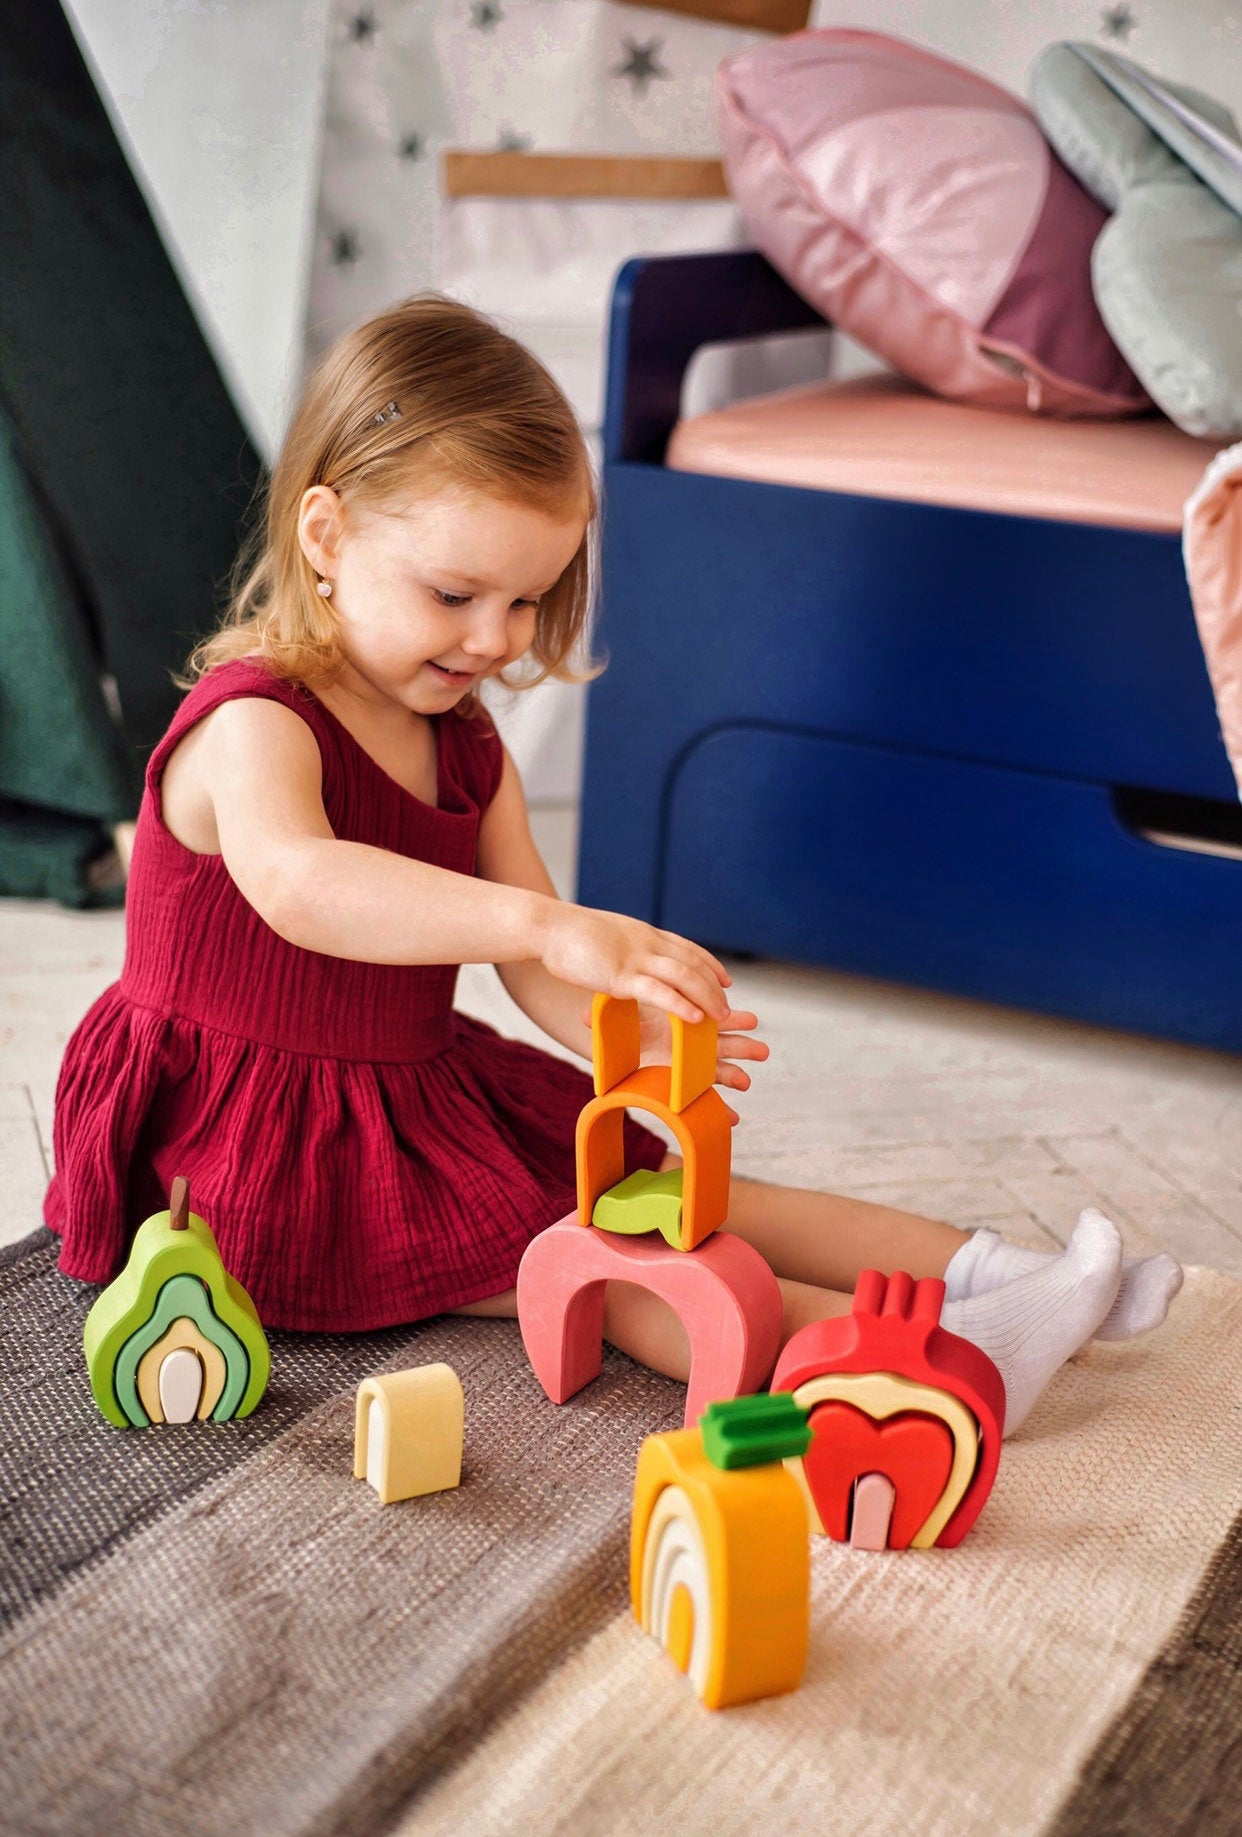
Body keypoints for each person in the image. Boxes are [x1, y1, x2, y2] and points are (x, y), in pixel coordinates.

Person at [44, 294, 1183, 1437]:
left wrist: (617, 1030)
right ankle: (930, 1365)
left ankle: (1002, 1278)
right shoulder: (256, 719)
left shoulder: (466, 744)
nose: (495, 639)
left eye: (528, 599)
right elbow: (301, 885)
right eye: (456, 596)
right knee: (602, 1256)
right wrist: (539, 929)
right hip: (253, 1136)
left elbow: (539, 952)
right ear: (328, 536)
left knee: (704, 1193)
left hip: (413, 1088)